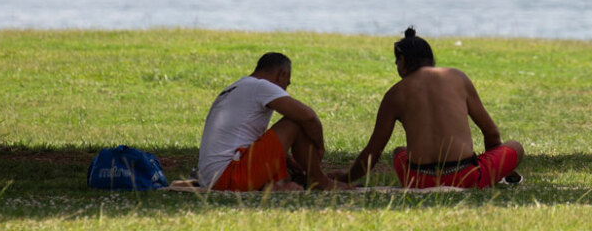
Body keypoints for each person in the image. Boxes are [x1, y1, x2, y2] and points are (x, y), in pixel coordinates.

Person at [339, 28, 523, 189]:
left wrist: (344, 177)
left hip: (418, 180)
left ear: (402, 60)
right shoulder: (457, 78)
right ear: (430, 59)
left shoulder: (394, 94)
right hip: (467, 177)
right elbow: (491, 134)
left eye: (396, 63)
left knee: (399, 152)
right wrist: (496, 169)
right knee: (515, 146)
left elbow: (373, 151)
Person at [197, 52, 350, 191]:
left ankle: (282, 183)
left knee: (288, 165)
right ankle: (321, 181)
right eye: (287, 83)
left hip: (213, 178)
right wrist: (320, 147)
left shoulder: (237, 86)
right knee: (294, 122)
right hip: (228, 178)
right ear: (281, 75)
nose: (285, 90)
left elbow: (247, 141)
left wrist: (289, 160)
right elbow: (309, 117)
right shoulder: (261, 86)